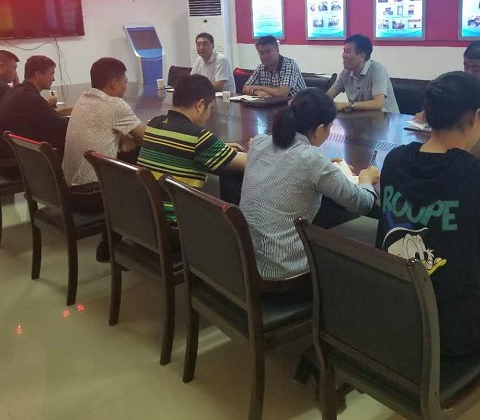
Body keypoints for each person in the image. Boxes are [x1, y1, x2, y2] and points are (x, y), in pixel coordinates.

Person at [376, 71, 480, 369]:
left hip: (397, 308)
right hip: (454, 333)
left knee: (467, 244)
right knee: (476, 252)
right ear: (473, 118)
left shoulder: (394, 160)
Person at [239, 88, 379, 283]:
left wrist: (326, 167)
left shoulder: (259, 143)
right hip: (283, 273)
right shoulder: (311, 159)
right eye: (329, 128)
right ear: (320, 129)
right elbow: (362, 203)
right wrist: (366, 179)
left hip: (244, 261)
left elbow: (290, 164)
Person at [61, 58, 145, 262]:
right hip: (91, 194)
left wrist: (122, 140)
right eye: (124, 81)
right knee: (145, 181)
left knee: (131, 155)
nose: (125, 86)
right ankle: (121, 244)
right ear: (114, 83)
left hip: (68, 189)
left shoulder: (84, 98)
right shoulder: (115, 104)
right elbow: (148, 138)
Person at [137, 74, 246, 223]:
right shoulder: (198, 138)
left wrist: (218, 147)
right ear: (200, 105)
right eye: (210, 108)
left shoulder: (154, 124)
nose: (209, 115)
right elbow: (247, 162)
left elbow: (178, 145)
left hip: (148, 218)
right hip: (181, 224)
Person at [0, 55, 71, 159]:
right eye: (51, 74)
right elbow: (60, 126)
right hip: (17, 160)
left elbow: (49, 115)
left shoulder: (18, 91)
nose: (54, 78)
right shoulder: (29, 97)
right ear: (37, 74)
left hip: (7, 153)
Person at [326, 34, 399, 113]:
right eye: (344, 51)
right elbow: (327, 97)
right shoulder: (346, 73)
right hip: (362, 117)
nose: (343, 56)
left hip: (386, 117)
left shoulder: (377, 70)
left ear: (361, 56)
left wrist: (347, 105)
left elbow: (378, 104)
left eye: (348, 52)